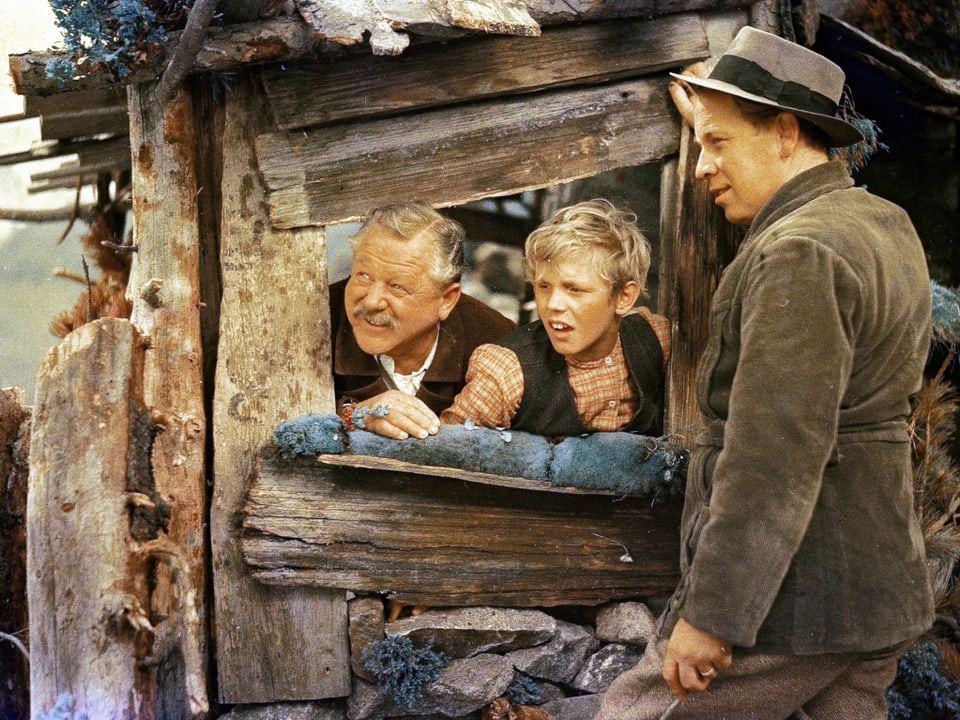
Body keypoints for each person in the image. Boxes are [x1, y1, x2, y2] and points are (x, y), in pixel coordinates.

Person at [597, 26, 934, 720]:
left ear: (786, 133)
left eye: (717, 146)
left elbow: (772, 457)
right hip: (872, 593)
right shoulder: (877, 222)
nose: (700, 167)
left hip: (795, 606)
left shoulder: (801, 253)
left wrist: (713, 616)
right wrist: (717, 121)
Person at [441, 199, 670, 436]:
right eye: (544, 287)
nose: (553, 304)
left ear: (624, 297)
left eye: (575, 290)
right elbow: (447, 453)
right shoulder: (506, 371)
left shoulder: (656, 338)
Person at [330, 202, 516, 440]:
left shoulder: (496, 339)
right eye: (363, 276)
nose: (371, 302)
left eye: (397, 286)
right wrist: (353, 415)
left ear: (446, 300)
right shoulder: (317, 319)